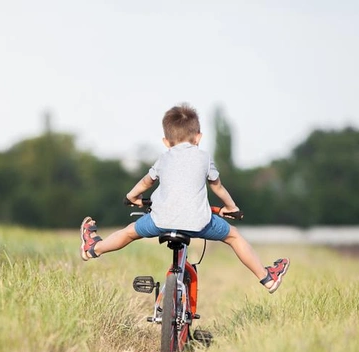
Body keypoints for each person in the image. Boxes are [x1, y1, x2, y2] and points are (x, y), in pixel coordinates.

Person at [79, 103, 289, 293]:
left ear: (165, 142)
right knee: (233, 236)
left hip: (160, 221)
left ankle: (92, 249)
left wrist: (131, 197)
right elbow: (217, 187)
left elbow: (146, 182)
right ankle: (267, 278)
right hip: (199, 223)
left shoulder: (163, 158)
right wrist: (231, 208)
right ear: (198, 137)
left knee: (129, 232)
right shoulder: (204, 157)